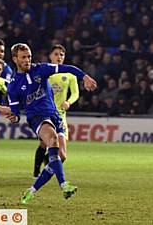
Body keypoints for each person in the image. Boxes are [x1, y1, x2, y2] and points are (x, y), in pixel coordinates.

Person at [7, 43, 97, 204]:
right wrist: (14, 117)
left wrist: (84, 77)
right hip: (37, 117)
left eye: (29, 56)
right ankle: (64, 185)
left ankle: (31, 191)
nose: (27, 60)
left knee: (61, 156)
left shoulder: (41, 69)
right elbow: (15, 111)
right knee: (52, 140)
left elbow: (68, 68)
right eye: (23, 57)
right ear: (15, 59)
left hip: (56, 115)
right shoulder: (13, 85)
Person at [33, 44, 80, 177]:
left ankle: (47, 164)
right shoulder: (45, 72)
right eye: (56, 54)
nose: (59, 57)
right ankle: (36, 171)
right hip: (45, 114)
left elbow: (75, 93)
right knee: (43, 143)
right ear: (50, 56)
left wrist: (68, 102)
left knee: (62, 155)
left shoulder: (70, 75)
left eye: (61, 54)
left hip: (60, 115)